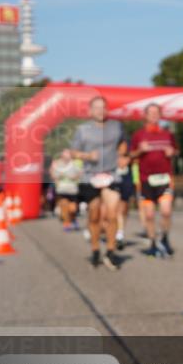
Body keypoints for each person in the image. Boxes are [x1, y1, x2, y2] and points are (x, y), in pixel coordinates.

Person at [71, 95, 127, 271]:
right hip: (90, 176)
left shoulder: (116, 126)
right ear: (90, 111)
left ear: (107, 109)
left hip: (111, 174)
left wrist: (122, 155)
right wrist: (87, 156)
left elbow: (124, 142)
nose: (100, 111)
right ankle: (95, 249)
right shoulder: (82, 129)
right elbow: (73, 152)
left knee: (112, 213)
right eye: (96, 107)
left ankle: (110, 251)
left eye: (103, 107)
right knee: (94, 215)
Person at [130, 103, 178, 258]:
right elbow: (130, 155)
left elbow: (176, 150)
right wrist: (140, 150)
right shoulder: (139, 135)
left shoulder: (167, 134)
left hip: (165, 178)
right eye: (150, 113)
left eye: (156, 112)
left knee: (166, 211)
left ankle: (164, 237)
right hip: (146, 180)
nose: (154, 115)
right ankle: (152, 242)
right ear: (145, 115)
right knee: (149, 215)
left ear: (160, 115)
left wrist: (172, 152)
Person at [50, 149, 82, 231]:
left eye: (68, 155)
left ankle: (73, 219)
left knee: (72, 209)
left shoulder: (75, 163)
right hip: (62, 189)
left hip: (73, 189)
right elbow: (52, 174)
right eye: (64, 155)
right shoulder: (57, 163)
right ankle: (66, 223)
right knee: (64, 206)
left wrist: (73, 177)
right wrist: (57, 177)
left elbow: (79, 174)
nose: (66, 157)